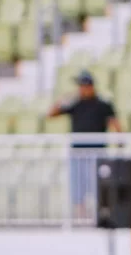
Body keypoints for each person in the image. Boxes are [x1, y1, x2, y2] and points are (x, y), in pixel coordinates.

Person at [47, 69, 123, 221]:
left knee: (99, 186)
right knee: (78, 188)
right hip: (78, 154)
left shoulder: (103, 104)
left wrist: (120, 141)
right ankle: (80, 217)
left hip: (97, 153)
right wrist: (65, 98)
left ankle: (100, 216)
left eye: (83, 85)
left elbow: (115, 124)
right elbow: (51, 114)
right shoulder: (75, 103)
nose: (81, 89)